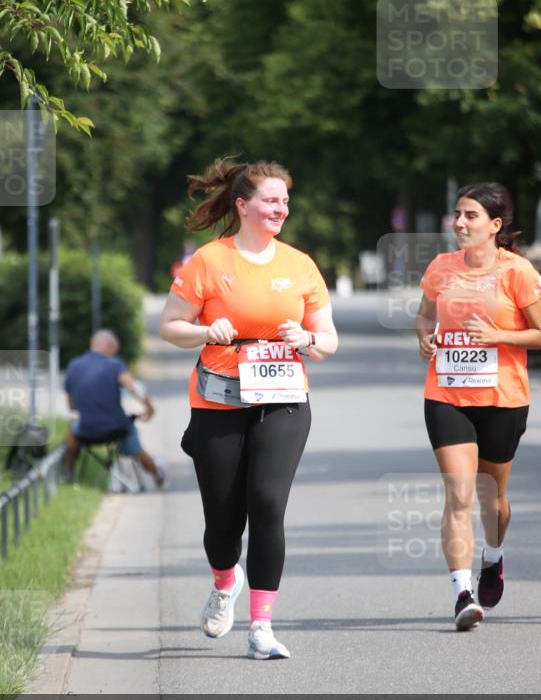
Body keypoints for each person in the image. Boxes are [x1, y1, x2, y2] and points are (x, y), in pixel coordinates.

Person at [160, 158, 338, 659]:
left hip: (284, 400)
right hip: (219, 398)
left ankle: (262, 626)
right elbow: (170, 326)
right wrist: (204, 331)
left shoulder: (300, 265)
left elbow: (329, 340)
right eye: (271, 200)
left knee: (266, 503)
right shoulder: (209, 261)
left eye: (285, 201)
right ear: (242, 205)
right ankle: (224, 581)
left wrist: (308, 339)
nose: (281, 209)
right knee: (222, 520)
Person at [416, 183, 541, 631]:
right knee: (459, 494)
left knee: (492, 499)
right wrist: (425, 338)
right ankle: (462, 593)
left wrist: (498, 336)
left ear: (494, 225)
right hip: (447, 395)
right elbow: (425, 316)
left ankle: (493, 556)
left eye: (470, 215)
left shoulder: (517, 271)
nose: (459, 223)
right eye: (457, 214)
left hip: (502, 398)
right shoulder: (441, 267)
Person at [62, 329, 166, 488]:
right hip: (116, 430)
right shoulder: (115, 365)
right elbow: (134, 388)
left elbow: (71, 406)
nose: (113, 355)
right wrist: (149, 407)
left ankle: (69, 473)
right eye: (114, 351)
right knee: (135, 446)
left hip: (86, 431)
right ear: (109, 346)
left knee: (73, 427)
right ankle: (156, 473)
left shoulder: (74, 366)